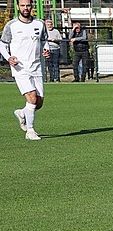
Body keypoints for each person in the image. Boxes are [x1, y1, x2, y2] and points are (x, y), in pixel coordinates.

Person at [1, 0, 48, 141]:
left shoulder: (39, 24)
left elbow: (44, 41)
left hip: (37, 67)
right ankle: (30, 130)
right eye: (22, 5)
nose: (25, 8)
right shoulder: (12, 26)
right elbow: (2, 44)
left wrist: (46, 49)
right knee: (32, 98)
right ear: (18, 7)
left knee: (38, 103)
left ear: (32, 6)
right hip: (20, 68)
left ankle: (22, 113)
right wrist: (9, 58)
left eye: (28, 5)